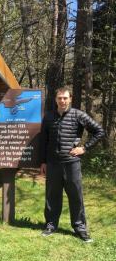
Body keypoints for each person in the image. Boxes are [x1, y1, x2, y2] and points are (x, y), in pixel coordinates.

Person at [40, 87, 104, 242]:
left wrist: (84, 148)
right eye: (59, 98)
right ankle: (51, 225)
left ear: (70, 99)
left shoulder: (78, 115)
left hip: (72, 164)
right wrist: (43, 162)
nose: (62, 101)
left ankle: (80, 228)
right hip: (53, 163)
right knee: (52, 196)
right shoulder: (48, 117)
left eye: (65, 98)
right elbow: (44, 141)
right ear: (55, 99)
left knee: (75, 196)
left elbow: (99, 131)